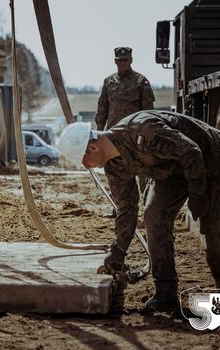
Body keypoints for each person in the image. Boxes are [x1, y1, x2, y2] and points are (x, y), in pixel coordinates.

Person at [57, 110, 220, 311]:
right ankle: (165, 292)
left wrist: (198, 195)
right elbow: (126, 207)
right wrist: (118, 250)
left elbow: (191, 152)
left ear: (92, 147)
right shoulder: (115, 166)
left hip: (212, 161)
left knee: (214, 230)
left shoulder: (143, 130)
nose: (86, 166)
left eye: (83, 161)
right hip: (172, 173)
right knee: (154, 215)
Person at [95, 47, 155, 217]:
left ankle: (147, 210)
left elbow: (148, 111)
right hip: (113, 139)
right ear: (115, 61)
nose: (123, 62)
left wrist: (147, 135)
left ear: (131, 60)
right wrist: (98, 133)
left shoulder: (140, 81)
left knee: (142, 173)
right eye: (120, 60)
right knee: (116, 175)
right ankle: (118, 208)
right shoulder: (109, 82)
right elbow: (102, 109)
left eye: (126, 60)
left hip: (136, 138)